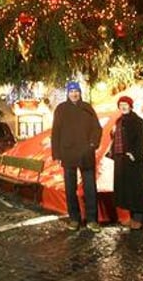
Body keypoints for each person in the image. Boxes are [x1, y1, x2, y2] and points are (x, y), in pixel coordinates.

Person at [51, 80, 102, 232]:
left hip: (86, 154)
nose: (74, 94)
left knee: (90, 189)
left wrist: (93, 144)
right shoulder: (61, 109)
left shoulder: (87, 108)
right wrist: (57, 154)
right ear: (67, 93)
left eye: (76, 91)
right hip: (68, 153)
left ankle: (92, 220)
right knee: (70, 188)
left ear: (80, 93)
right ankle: (74, 219)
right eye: (71, 91)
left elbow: (97, 129)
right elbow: (56, 132)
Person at [110, 95, 143, 230]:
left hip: (132, 159)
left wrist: (135, 154)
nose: (123, 107)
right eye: (121, 105)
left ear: (131, 106)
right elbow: (116, 138)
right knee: (126, 190)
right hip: (121, 159)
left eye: (125, 104)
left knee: (135, 188)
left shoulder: (137, 121)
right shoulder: (119, 121)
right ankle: (131, 217)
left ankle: (138, 218)